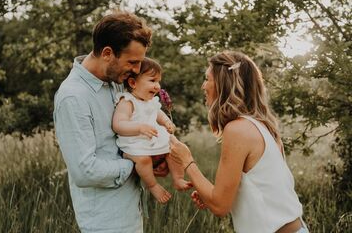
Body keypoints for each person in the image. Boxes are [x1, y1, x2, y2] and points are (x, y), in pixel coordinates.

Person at [170, 51, 309, 233]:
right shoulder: (264, 126)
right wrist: (209, 194)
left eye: (207, 79)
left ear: (223, 84)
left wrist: (186, 160)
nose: (204, 86)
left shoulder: (238, 129)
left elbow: (220, 206)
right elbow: (261, 188)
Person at [53, 12, 168, 233]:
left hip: (130, 211)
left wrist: (156, 156)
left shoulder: (117, 82)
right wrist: (136, 165)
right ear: (107, 53)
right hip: (105, 223)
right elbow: (85, 171)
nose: (136, 70)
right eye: (132, 62)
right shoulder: (73, 97)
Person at [112, 57, 191, 203]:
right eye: (153, 81)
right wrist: (139, 127)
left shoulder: (151, 101)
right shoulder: (127, 101)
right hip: (134, 144)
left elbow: (159, 114)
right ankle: (153, 185)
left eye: (158, 81)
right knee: (144, 160)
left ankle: (178, 178)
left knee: (172, 149)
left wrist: (167, 122)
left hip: (151, 139)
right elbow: (118, 124)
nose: (158, 86)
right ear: (133, 83)